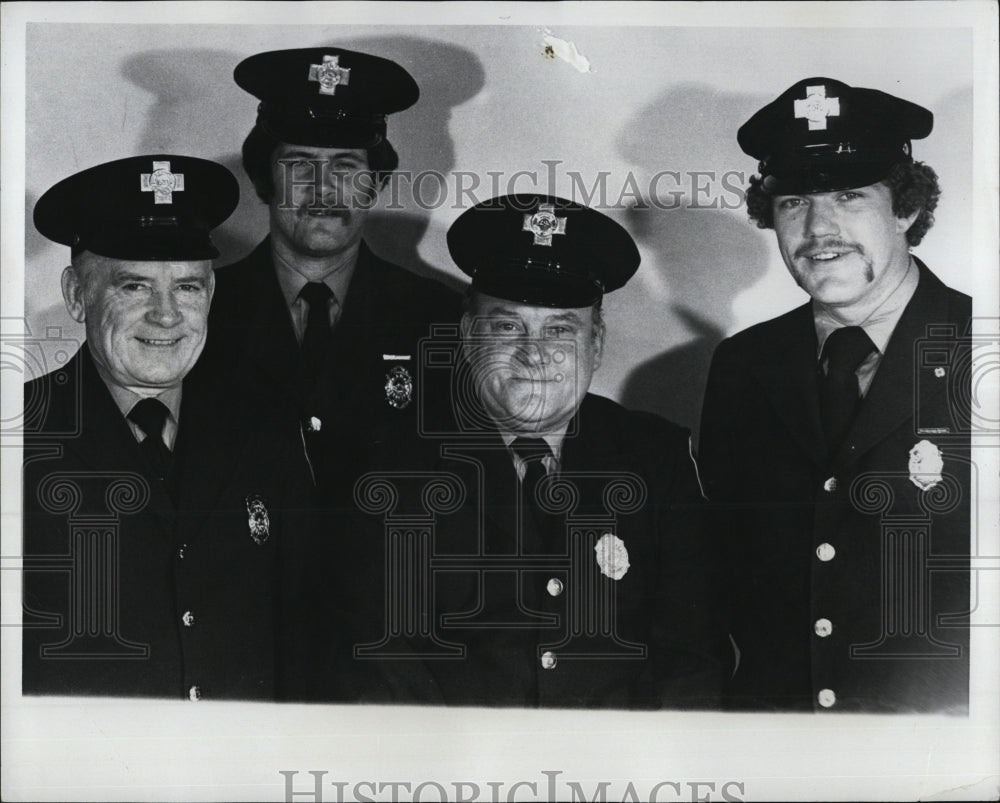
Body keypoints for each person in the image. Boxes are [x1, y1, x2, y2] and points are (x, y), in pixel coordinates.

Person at [315, 194, 728, 708]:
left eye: (560, 330)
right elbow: (378, 661)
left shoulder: (656, 460)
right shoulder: (392, 463)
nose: (533, 355)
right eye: (508, 327)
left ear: (596, 343)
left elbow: (690, 659)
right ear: (468, 336)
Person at [699, 78, 972, 712]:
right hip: (776, 741)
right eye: (794, 201)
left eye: (850, 196)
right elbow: (721, 573)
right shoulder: (743, 365)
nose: (820, 229)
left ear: (906, 207)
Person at [23, 155, 311, 700]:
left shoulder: (264, 428)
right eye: (134, 287)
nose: (166, 315)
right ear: (76, 293)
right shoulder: (20, 436)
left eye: (187, 287)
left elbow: (303, 627)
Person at [193, 47, 461, 487]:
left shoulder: (442, 317)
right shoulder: (199, 309)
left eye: (345, 166)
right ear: (264, 178)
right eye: (300, 164)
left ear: (375, 183)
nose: (323, 188)